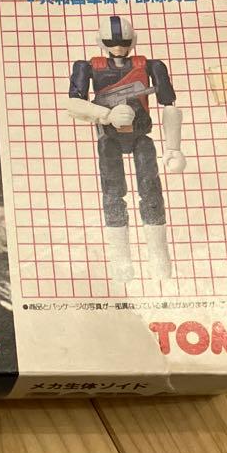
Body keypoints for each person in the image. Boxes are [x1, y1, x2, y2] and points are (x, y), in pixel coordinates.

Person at [66, 15, 186, 282]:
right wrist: (106, 115)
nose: (118, 47)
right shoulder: (88, 67)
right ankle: (120, 259)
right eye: (111, 43)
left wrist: (173, 148)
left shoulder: (150, 66)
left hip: (141, 136)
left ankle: (159, 255)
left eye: (124, 42)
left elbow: (170, 106)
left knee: (151, 193)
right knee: (113, 196)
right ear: (101, 42)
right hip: (109, 137)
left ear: (133, 41)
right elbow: (72, 104)